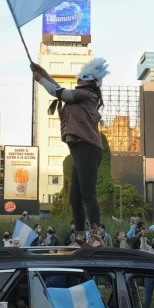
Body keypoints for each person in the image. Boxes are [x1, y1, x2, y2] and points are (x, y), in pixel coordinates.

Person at [31, 58, 109, 245]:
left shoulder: (86, 95)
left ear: (92, 82)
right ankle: (80, 237)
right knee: (75, 197)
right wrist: (43, 73)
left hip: (87, 148)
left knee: (88, 194)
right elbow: (60, 90)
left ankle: (97, 235)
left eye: (84, 78)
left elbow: (59, 92)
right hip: (80, 150)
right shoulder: (80, 95)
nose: (79, 80)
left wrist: (40, 80)